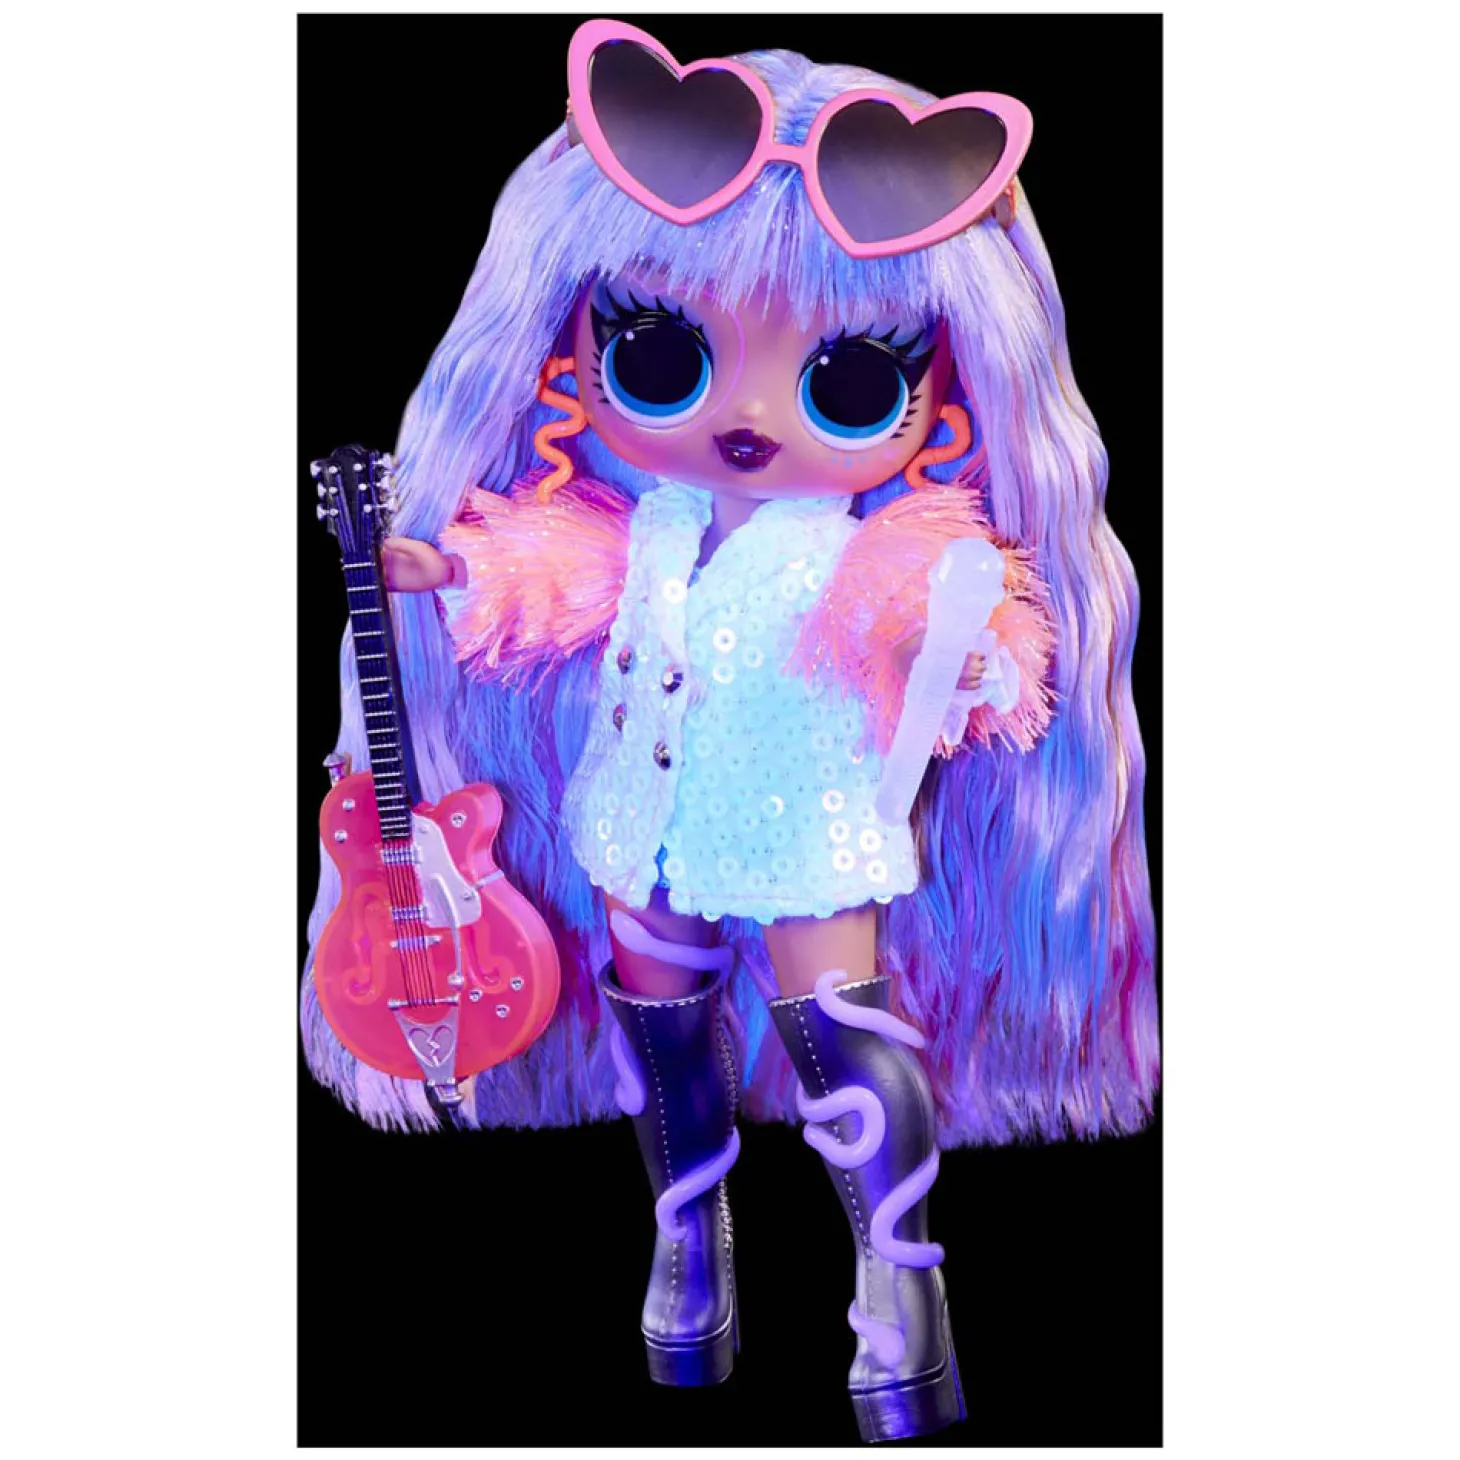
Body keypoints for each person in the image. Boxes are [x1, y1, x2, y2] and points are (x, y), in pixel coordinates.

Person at [303, 20, 1158, 1442]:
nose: (749, 419)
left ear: (940, 392)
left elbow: (971, 642)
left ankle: (898, 1275)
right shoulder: (654, 523)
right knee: (665, 1028)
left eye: (849, 381)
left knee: (840, 1032)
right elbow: (548, 575)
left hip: (805, 825)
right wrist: (439, 565)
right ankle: (687, 1231)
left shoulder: (872, 548)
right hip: (642, 816)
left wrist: (969, 656)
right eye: (661, 355)